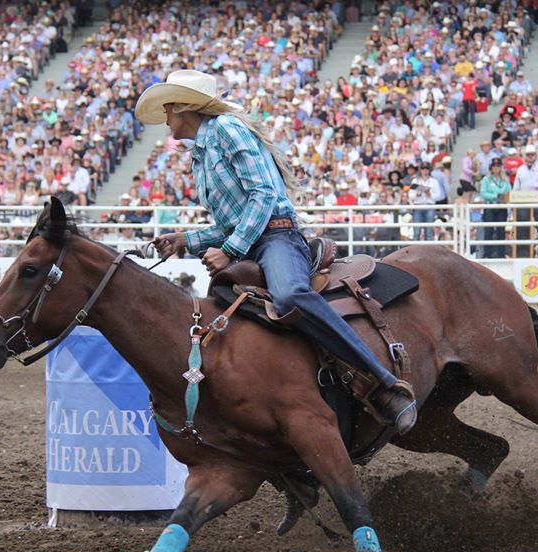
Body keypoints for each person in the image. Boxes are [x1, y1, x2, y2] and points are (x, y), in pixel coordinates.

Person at [136, 70, 417, 433]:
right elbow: (230, 220)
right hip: (250, 246)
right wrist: (185, 240)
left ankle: (383, 383)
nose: (166, 119)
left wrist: (230, 249)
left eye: (168, 110)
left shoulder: (225, 129)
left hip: (276, 238)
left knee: (290, 295)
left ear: (184, 108)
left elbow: (265, 194)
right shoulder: (199, 156)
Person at [479, 158, 512, 258]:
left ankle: (501, 254)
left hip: (502, 207)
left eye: (498, 166)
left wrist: (503, 196)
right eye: (494, 166)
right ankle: (487, 254)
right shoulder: (486, 179)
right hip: (490, 206)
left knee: (501, 231)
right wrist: (496, 195)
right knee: (488, 231)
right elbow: (483, 193)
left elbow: (509, 191)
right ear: (491, 167)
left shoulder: (505, 180)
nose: (496, 168)